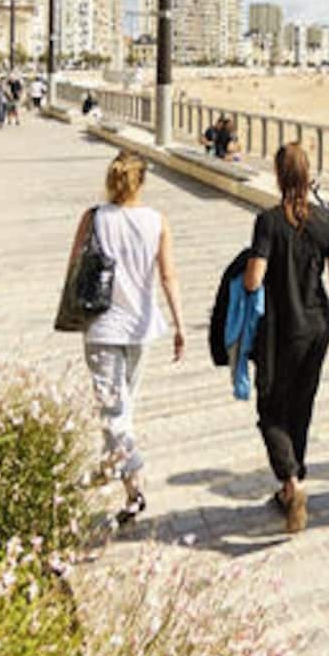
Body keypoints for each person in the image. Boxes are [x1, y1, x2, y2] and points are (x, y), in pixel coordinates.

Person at [64, 151, 186, 526]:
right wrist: (180, 325)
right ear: (142, 183)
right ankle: (110, 466)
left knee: (116, 411)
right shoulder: (156, 221)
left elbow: (74, 266)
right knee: (121, 407)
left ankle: (134, 487)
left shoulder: (94, 218)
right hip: (140, 328)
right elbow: (168, 276)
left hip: (102, 326)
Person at [244, 143, 329, 534]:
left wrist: (247, 270)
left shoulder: (268, 222)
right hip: (317, 328)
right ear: (308, 175)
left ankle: (291, 480)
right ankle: (294, 485)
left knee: (270, 410)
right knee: (302, 406)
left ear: (279, 176)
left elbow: (254, 279)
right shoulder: (327, 222)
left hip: (279, 330)